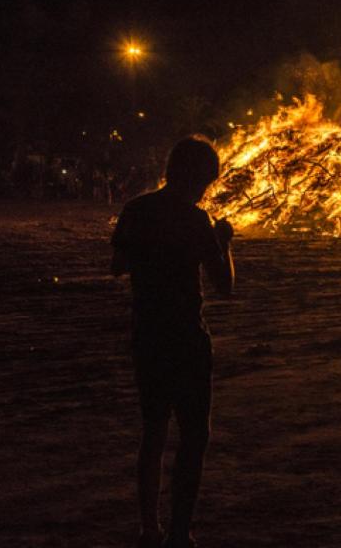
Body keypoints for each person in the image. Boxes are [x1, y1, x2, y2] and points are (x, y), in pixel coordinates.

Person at [111, 137, 234, 548]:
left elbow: (118, 265)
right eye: (205, 182)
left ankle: (149, 527)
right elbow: (225, 285)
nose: (206, 190)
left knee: (153, 432)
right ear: (196, 177)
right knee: (194, 435)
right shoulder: (196, 220)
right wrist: (224, 243)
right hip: (185, 337)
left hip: (147, 334)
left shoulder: (136, 211)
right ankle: (180, 531)